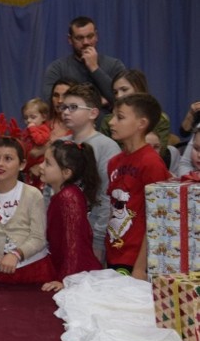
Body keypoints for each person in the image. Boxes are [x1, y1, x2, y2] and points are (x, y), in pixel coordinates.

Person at [0, 138, 54, 284]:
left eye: (8, 159)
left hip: (33, 270)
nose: (0, 163)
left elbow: (39, 238)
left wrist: (16, 254)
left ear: (22, 164)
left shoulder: (33, 194)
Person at [105, 93, 171, 278]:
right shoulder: (114, 162)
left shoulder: (151, 163)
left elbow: (157, 220)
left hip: (136, 258)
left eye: (120, 117)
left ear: (141, 123)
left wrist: (140, 267)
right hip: (114, 250)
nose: (111, 122)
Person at [58, 84, 121, 262]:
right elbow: (50, 190)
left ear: (93, 113)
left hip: (91, 234)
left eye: (73, 107)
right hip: (61, 231)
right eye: (63, 107)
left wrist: (98, 239)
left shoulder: (106, 147)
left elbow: (107, 196)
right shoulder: (59, 144)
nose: (66, 112)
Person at [40, 141, 104, 292]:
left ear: (66, 172)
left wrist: (66, 279)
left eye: (48, 163)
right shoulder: (62, 195)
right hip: (70, 272)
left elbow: (74, 243)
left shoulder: (69, 197)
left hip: (79, 274)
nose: (41, 166)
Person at [41, 16, 126, 110]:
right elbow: (50, 102)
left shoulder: (115, 65)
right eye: (79, 38)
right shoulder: (57, 68)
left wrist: (94, 68)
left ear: (96, 36)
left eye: (90, 36)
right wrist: (99, 102)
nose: (86, 42)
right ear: (70, 39)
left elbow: (123, 101)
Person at [100, 69, 172, 146]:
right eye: (115, 92)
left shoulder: (160, 119)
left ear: (140, 88)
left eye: (124, 89)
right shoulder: (109, 120)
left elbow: (159, 151)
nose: (119, 96)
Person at [19, 98, 51, 190]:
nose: (29, 121)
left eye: (33, 117)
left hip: (40, 168)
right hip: (28, 168)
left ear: (44, 117)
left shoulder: (43, 129)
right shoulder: (27, 130)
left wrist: (32, 129)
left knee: (40, 190)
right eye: (26, 118)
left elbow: (40, 141)